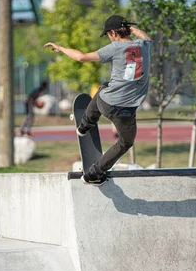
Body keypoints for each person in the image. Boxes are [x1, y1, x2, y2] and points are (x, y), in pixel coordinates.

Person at [44, 15, 151, 186]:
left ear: (113, 32)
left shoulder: (114, 48)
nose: (109, 38)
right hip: (127, 112)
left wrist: (61, 48)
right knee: (125, 143)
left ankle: (85, 124)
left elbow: (81, 57)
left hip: (107, 103)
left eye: (108, 35)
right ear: (129, 30)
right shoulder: (145, 46)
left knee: (103, 90)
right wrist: (132, 29)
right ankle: (94, 174)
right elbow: (147, 37)